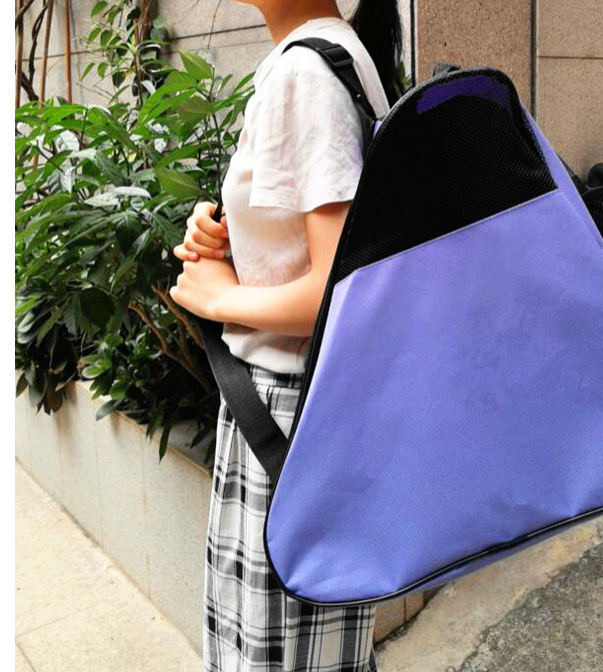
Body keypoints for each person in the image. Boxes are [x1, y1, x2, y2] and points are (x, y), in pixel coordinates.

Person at [169, 0, 401, 670]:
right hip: (301, 412)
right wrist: (229, 234)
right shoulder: (330, 54)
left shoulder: (306, 73)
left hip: (286, 418)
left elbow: (339, 289)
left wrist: (221, 297)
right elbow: (314, 245)